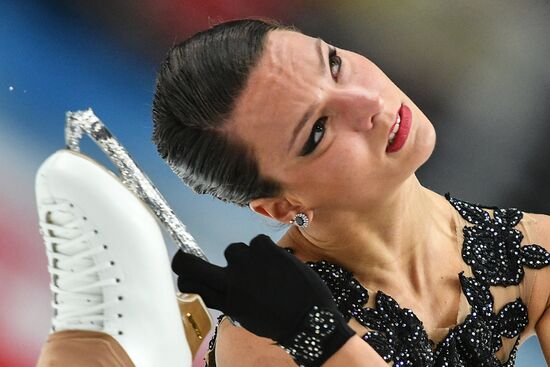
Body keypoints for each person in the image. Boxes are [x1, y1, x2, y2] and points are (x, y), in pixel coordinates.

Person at [36, 18, 550, 366]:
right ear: (281, 206)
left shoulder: (534, 252)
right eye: (318, 132)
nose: (366, 102)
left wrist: (323, 341)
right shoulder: (259, 341)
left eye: (333, 64)